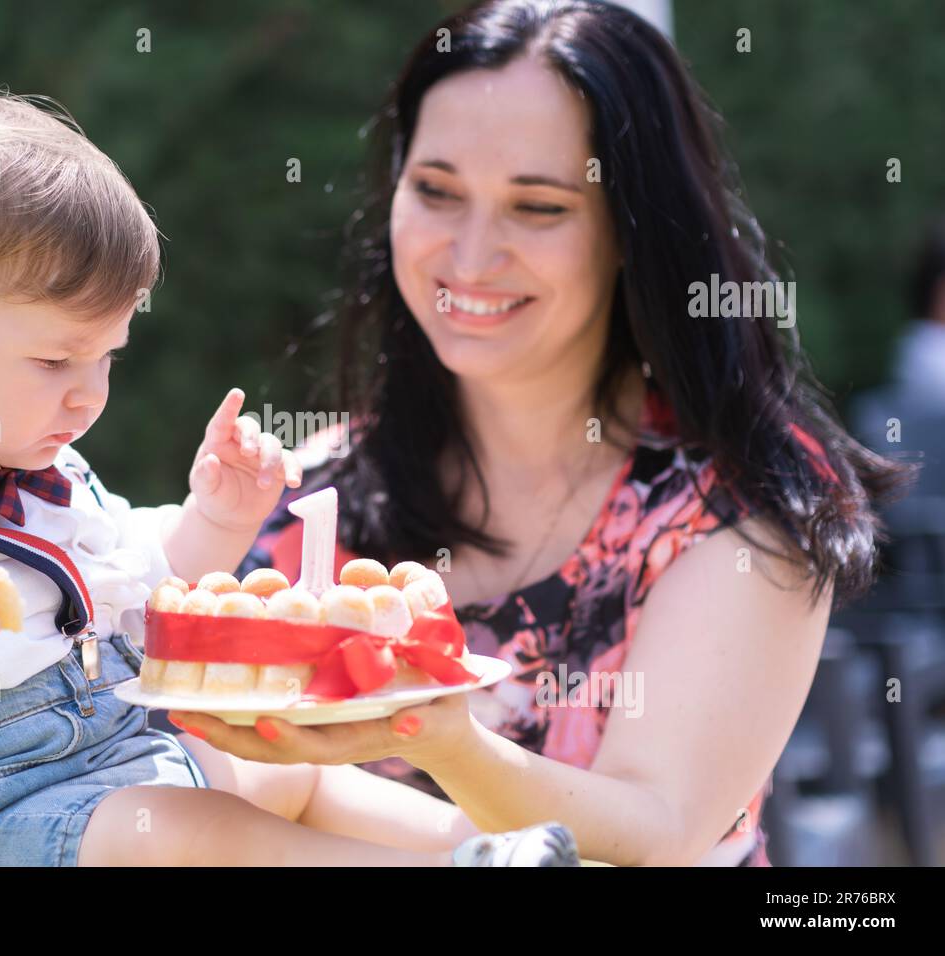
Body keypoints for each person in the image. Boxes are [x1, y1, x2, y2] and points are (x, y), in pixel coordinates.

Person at [0, 89, 570, 867]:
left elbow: (139, 582)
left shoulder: (49, 473)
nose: (89, 392)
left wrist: (214, 521)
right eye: (54, 358)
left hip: (120, 766)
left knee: (288, 772)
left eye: (107, 357)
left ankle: (491, 847)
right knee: (195, 833)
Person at [167, 0, 918, 867]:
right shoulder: (308, 488)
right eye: (437, 192)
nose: (472, 255)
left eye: (539, 206)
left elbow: (661, 828)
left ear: (633, 228)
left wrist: (441, 737)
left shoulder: (744, 507)